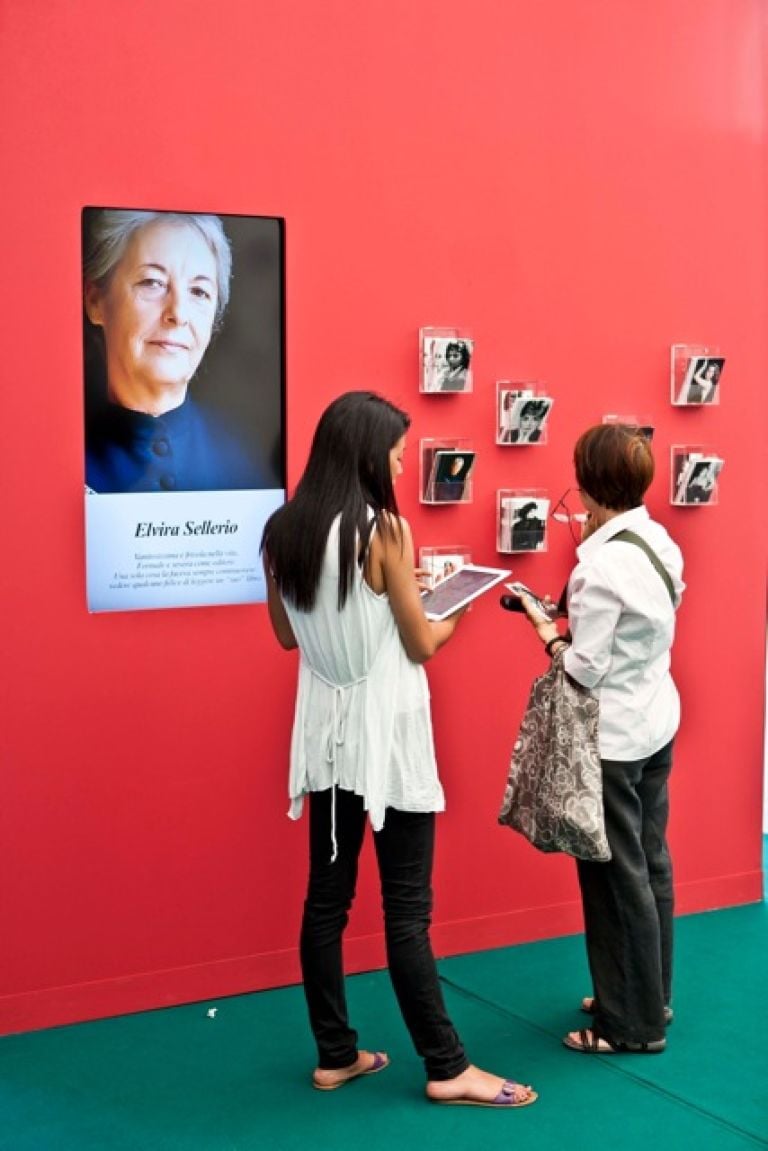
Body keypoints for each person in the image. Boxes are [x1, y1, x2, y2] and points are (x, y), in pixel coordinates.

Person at [261, 392, 536, 1108]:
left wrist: (388, 603)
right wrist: (457, 604)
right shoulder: (384, 528)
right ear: (364, 451)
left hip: (325, 744)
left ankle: (335, 1055)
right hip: (387, 743)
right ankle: (447, 1066)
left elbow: (289, 634)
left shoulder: (283, 530)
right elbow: (420, 644)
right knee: (407, 911)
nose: (399, 461)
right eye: (394, 450)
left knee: (327, 901)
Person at [515, 424, 684, 1055]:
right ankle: (648, 996)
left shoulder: (597, 567)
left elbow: (583, 667)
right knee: (652, 862)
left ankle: (629, 1025)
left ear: (588, 487)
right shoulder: (658, 540)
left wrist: (544, 629)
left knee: (615, 878)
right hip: (655, 718)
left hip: (611, 736)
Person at [83, 208, 266, 493]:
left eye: (199, 292)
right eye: (152, 283)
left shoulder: (245, 463)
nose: (178, 314)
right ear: (95, 301)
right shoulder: (58, 458)